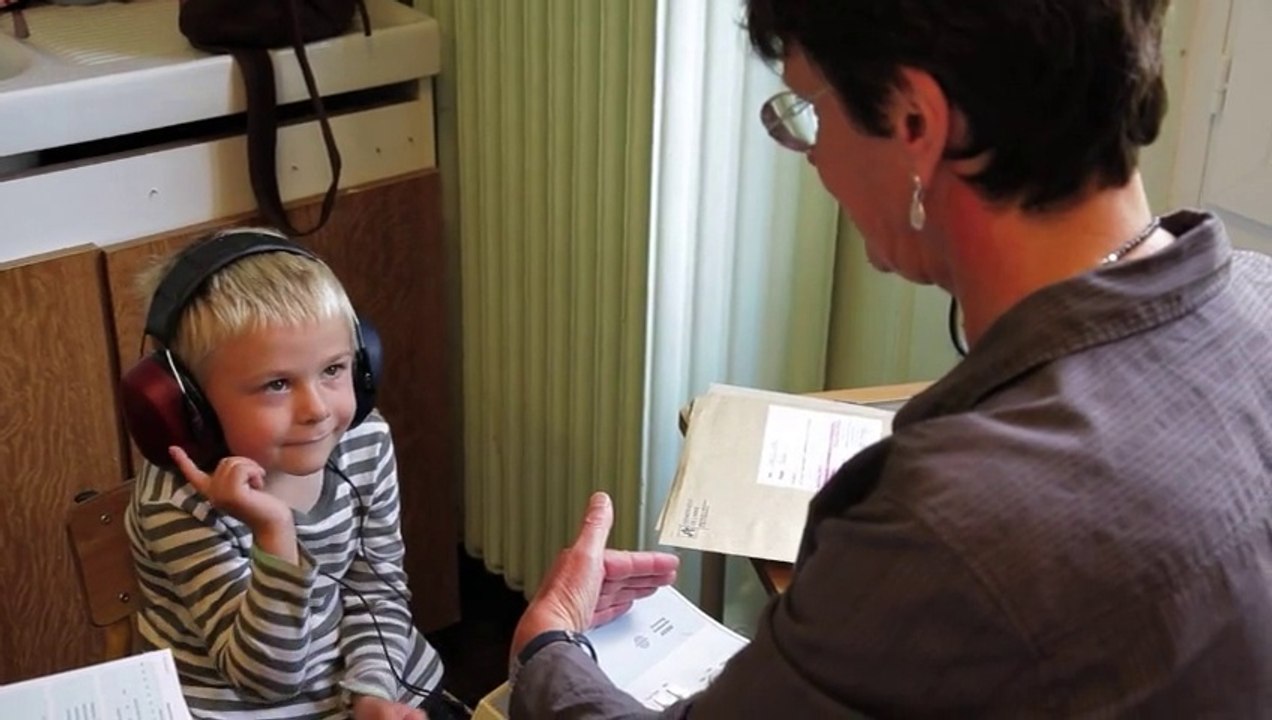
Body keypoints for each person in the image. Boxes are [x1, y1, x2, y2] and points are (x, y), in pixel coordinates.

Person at [507, 0, 1272, 717]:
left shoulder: (948, 523)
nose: (810, 157)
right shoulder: (1259, 297)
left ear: (916, 122)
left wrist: (546, 649)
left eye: (807, 110)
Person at [124, 228, 468, 719]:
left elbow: (379, 584)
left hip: (363, 677)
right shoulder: (177, 502)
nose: (317, 411)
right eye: (278, 383)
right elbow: (266, 679)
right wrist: (273, 531)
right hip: (245, 703)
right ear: (190, 407)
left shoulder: (362, 440)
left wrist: (373, 692)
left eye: (333, 370)